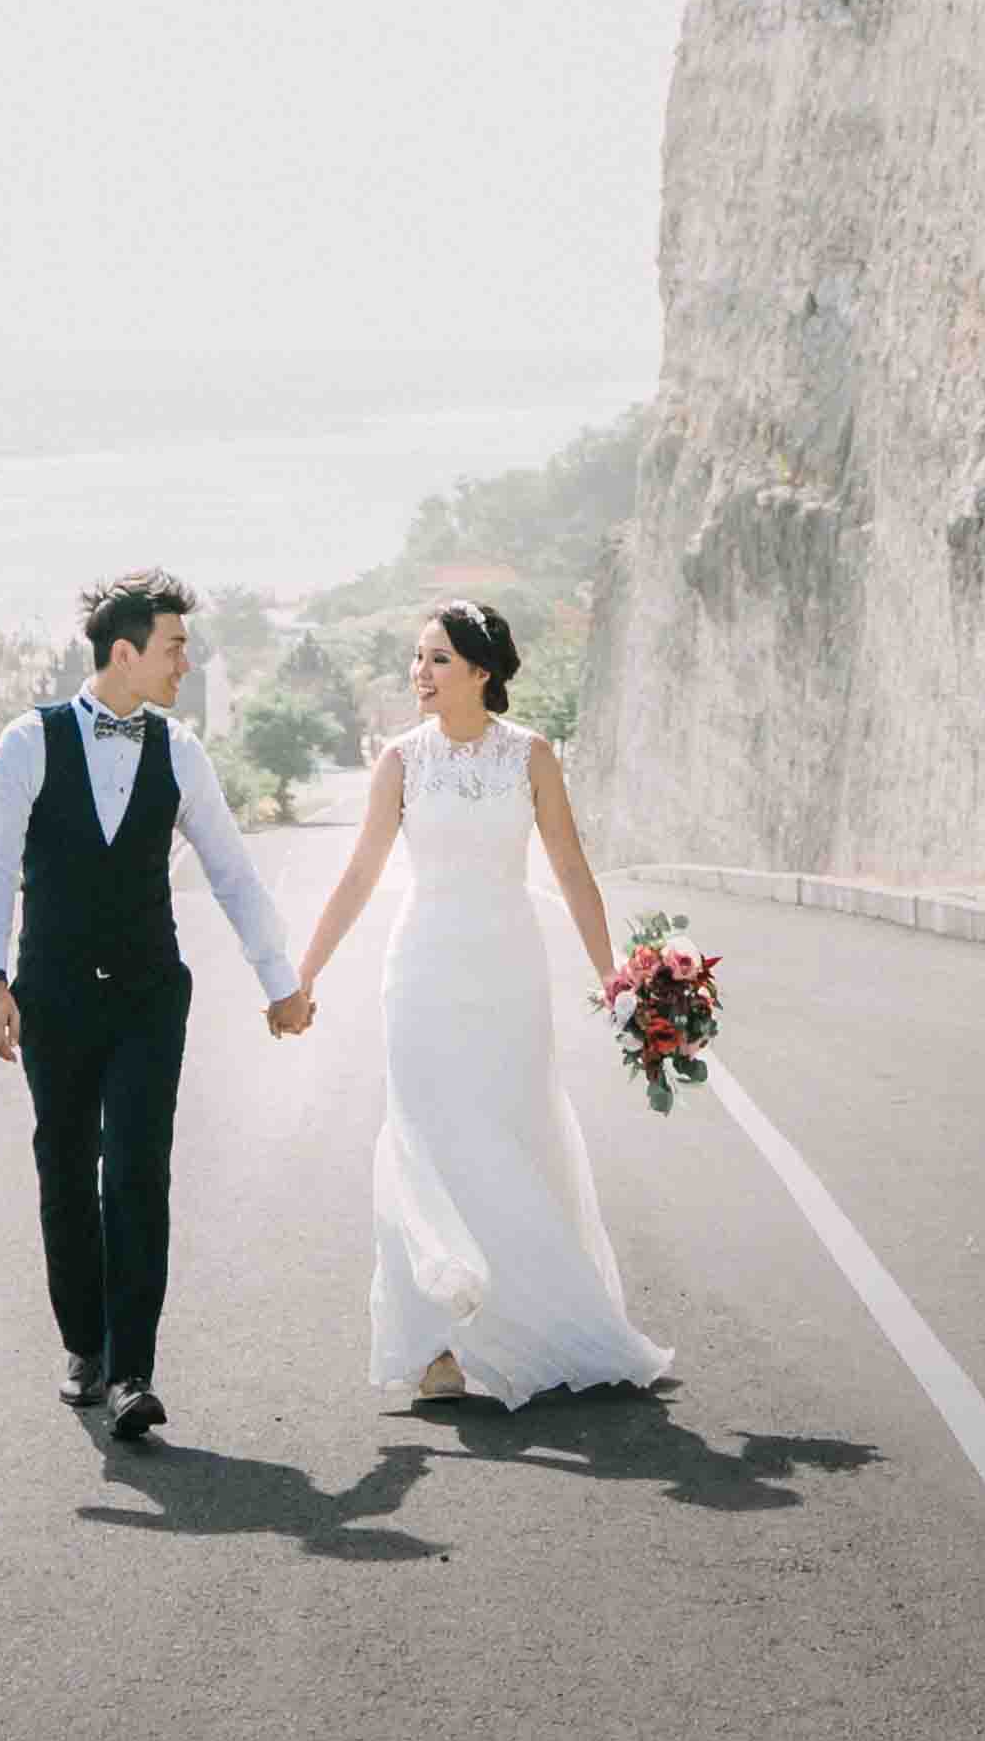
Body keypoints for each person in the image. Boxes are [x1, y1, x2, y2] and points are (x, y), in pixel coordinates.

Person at [286, 597, 673, 1409]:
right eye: (418, 658)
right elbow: (360, 873)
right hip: (422, 972)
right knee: (423, 1137)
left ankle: (530, 1313)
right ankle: (432, 1347)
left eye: (436, 659)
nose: (418, 673)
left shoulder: (531, 757)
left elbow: (570, 867)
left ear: (481, 672)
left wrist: (617, 981)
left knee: (511, 1136)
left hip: (508, 974)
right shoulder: (400, 760)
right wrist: (306, 970)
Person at [0, 565, 308, 1452]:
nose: (185, 663)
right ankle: (84, 1341)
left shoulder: (180, 750)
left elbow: (231, 868)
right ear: (125, 652)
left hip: (152, 993)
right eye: (174, 647)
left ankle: (132, 1374)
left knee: (139, 1172)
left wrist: (280, 977)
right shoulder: (28, 741)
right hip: (56, 994)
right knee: (67, 1166)